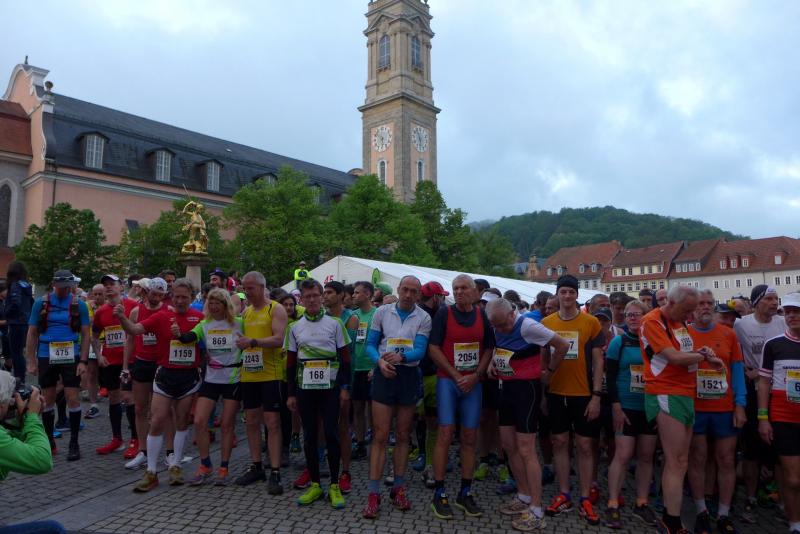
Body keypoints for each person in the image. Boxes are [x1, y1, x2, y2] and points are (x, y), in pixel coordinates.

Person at [640, 285, 725, 534]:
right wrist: (703, 356)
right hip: (665, 391)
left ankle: (672, 516)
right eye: (687, 310)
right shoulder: (652, 321)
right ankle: (672, 521)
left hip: (685, 392)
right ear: (671, 303)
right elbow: (674, 357)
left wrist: (702, 354)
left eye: (692, 311)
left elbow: (685, 353)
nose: (690, 316)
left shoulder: (679, 322)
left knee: (681, 461)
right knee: (676, 461)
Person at [114, 278, 204, 492]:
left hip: (189, 377)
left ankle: (175, 465)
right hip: (165, 374)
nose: (180, 301)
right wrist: (121, 318)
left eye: (185, 297)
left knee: (182, 421)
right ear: (171, 296)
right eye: (177, 296)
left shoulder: (199, 318)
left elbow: (212, 341)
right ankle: (151, 471)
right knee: (156, 420)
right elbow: (135, 330)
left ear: (192, 298)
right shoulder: (162, 316)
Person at [488, 297, 568, 531]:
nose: (501, 329)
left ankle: (536, 508)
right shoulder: (496, 325)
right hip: (506, 388)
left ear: (512, 314)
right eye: (496, 326)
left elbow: (562, 345)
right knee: (508, 445)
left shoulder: (528, 326)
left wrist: (549, 372)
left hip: (526, 392)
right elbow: (499, 347)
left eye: (504, 324)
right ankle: (523, 495)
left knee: (526, 449)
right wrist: (493, 362)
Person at [362, 276, 432, 519]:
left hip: (408, 376)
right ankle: (373, 493)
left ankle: (398, 488)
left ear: (419, 294)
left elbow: (420, 350)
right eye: (405, 290)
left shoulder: (424, 317)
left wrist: (402, 358)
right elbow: (370, 345)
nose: (409, 295)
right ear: (399, 289)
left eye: (414, 291)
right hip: (384, 373)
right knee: (380, 436)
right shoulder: (382, 312)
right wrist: (379, 362)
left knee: (403, 435)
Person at [427, 275, 494, 519]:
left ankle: (465, 492)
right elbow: (433, 348)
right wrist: (456, 375)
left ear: (475, 292)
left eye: (464, 288)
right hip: (449, 381)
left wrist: (476, 375)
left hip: (472, 384)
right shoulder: (444, 313)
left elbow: (489, 348)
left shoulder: (481, 315)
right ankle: (439, 492)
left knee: (469, 437)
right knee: (445, 434)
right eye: (455, 288)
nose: (459, 292)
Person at [541, 275, 605, 524]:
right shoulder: (547, 322)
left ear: (577, 295)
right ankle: (564, 493)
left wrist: (596, 396)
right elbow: (543, 360)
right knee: (559, 442)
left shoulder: (591, 322)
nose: (567, 296)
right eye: (563, 292)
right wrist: (544, 393)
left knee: (585, 445)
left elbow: (598, 361)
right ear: (557, 295)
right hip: (556, 393)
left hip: (584, 394)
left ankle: (585, 497)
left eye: (571, 292)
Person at [285, 279, 352, 508]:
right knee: (310, 436)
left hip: (330, 389)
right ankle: (315, 484)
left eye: (315, 295)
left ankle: (334, 485)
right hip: (305, 389)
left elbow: (345, 359)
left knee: (331, 434)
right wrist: (291, 393)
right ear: (302, 300)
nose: (312, 300)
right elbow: (291, 363)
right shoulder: (294, 327)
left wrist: (344, 388)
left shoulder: (335, 324)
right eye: (307, 296)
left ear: (321, 297)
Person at [687, 289, 746, 534]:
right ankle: (701, 511)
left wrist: (740, 404)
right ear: (693, 308)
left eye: (709, 303)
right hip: (695, 407)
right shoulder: (684, 334)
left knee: (726, 459)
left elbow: (738, 370)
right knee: (698, 458)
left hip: (724, 406)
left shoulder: (729, 334)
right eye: (700, 303)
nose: (705, 307)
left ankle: (723, 514)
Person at [175, 288, 242, 486]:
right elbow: (189, 337)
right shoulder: (204, 324)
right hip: (211, 379)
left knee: (227, 425)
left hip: (233, 379)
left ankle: (224, 468)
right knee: (199, 421)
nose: (213, 306)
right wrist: (179, 335)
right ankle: (205, 465)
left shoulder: (239, 323)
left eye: (217, 303)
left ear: (225, 305)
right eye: (210, 303)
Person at [604, 299, 659, 529]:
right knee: (623, 454)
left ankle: (642, 502)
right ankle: (613, 503)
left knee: (646, 456)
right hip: (626, 406)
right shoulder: (619, 342)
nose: (633, 318)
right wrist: (616, 406)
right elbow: (610, 376)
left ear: (646, 317)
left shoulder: (654, 341)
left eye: (637, 314)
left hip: (649, 406)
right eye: (629, 315)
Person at [26, 270, 90, 461]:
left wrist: (83, 361)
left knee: (72, 398)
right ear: (54, 284)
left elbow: (86, 334)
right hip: (46, 353)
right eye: (61, 287)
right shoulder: (41, 303)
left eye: (67, 287)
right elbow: (32, 332)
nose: (64, 290)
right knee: (48, 398)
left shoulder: (79, 304)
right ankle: (49, 441)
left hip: (70, 353)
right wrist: (31, 360)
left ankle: (74, 443)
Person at [234, 271, 288, 494]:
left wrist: (253, 342)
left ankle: (275, 470)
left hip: (270, 375)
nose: (247, 292)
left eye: (251, 288)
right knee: (251, 421)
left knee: (272, 423)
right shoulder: (246, 312)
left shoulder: (275, 308)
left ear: (262, 287)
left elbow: (279, 339)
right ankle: (256, 466)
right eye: (244, 288)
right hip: (249, 374)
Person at [735, 284, 786, 522]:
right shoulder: (741, 324)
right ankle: (751, 497)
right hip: (753, 392)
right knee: (752, 449)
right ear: (756, 302)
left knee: (780, 449)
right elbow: (733, 351)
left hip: (778, 390)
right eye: (769, 299)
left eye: (776, 299)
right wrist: (746, 370)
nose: (775, 303)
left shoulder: (783, 323)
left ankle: (783, 500)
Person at [757, 292, 800, 534]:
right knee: (792, 478)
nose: (792, 316)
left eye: (797, 312)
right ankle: (795, 524)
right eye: (789, 312)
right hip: (784, 417)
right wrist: (763, 418)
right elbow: (763, 383)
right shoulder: (773, 345)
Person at [122, 277, 168, 470]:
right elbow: (130, 340)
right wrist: (126, 366)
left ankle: (168, 451)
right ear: (147, 292)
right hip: (141, 362)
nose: (156, 297)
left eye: (160, 295)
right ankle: (143, 450)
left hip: (161, 364)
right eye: (153, 293)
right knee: (140, 408)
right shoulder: (136, 311)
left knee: (160, 411)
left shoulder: (168, 312)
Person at [92, 274, 138, 457]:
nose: (108, 287)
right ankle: (117, 439)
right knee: (113, 398)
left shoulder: (133, 306)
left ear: (121, 287)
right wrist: (98, 355)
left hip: (131, 360)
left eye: (112, 284)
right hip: (110, 361)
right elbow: (95, 335)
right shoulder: (101, 312)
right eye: (106, 285)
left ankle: (136, 439)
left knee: (128, 397)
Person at [416, 281, 449, 488]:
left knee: (410, 423)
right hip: (431, 375)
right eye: (442, 296)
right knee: (431, 422)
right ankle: (429, 463)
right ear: (436, 297)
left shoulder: (414, 313)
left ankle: (425, 460)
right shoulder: (440, 315)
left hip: (417, 374)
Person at [350, 282, 376, 463]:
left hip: (372, 366)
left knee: (373, 409)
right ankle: (360, 444)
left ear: (367, 294)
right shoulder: (354, 315)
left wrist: (377, 366)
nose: (353, 295)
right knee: (358, 408)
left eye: (357, 292)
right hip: (356, 367)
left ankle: (376, 443)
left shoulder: (377, 314)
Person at [4, 262, 33, 383]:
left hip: (16, 322)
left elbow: (16, 302)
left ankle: (19, 379)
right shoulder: (26, 285)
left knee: (15, 353)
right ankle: (21, 379)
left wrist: (7, 312)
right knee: (19, 352)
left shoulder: (15, 285)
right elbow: (31, 302)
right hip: (25, 322)